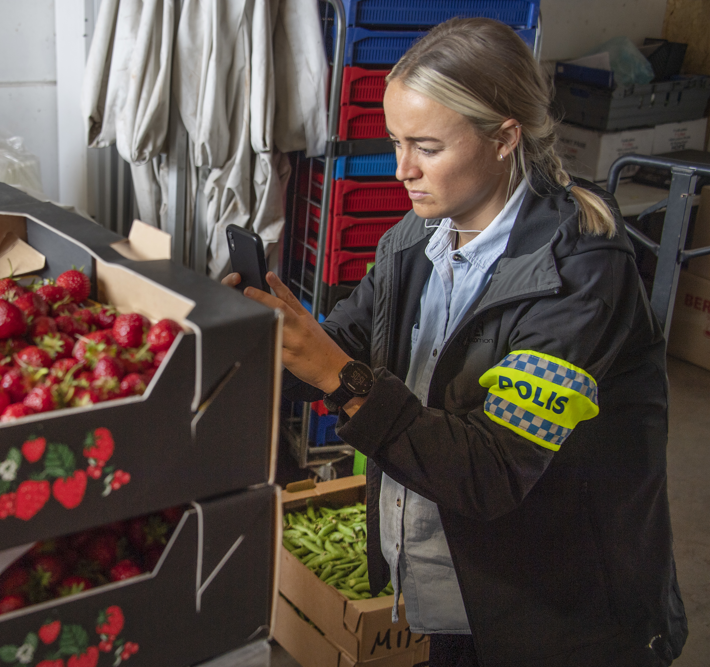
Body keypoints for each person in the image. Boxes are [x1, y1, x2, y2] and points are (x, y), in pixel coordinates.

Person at [225, 18, 688, 667]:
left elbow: (494, 470)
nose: (400, 169)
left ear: (504, 138)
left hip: (561, 620)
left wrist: (344, 380)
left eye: (426, 146)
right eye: (393, 141)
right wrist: (257, 336)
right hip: (454, 591)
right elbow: (340, 345)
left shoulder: (582, 277)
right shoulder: (413, 241)